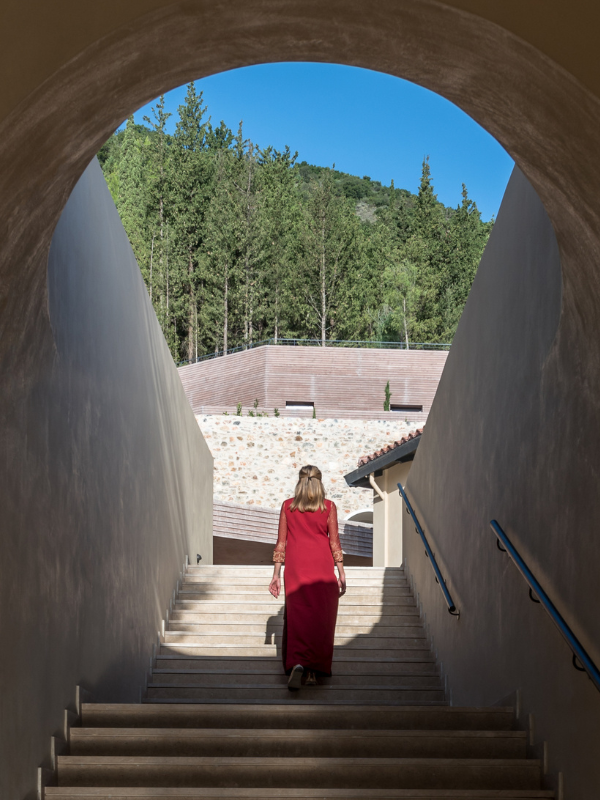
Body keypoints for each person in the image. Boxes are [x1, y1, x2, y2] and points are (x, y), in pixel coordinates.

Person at [269, 464, 346, 691]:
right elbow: (334, 543)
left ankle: (297, 663)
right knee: (321, 618)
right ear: (320, 482)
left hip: (296, 568)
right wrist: (341, 572)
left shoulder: (287, 506)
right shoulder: (329, 507)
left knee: (298, 617)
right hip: (322, 569)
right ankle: (314, 671)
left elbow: (281, 543)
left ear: (299, 481)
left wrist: (276, 575)